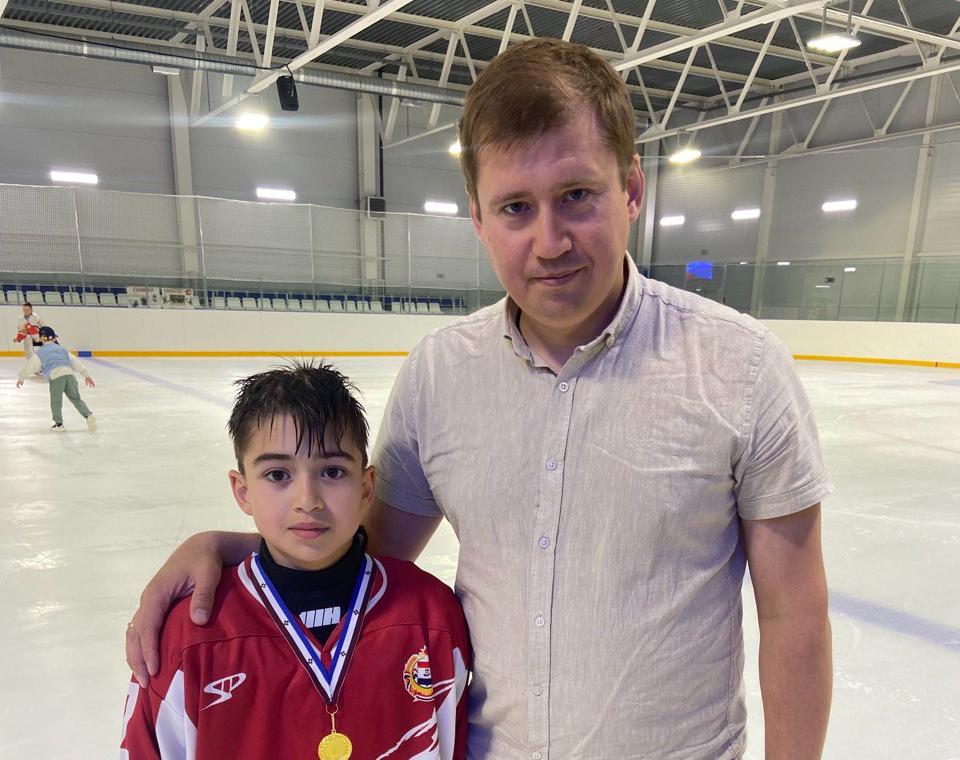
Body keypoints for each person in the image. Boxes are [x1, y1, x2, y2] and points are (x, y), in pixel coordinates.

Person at [126, 39, 833, 759]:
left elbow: (795, 619)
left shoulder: (741, 368)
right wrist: (231, 546)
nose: (550, 242)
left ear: (631, 189)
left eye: (577, 196)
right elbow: (358, 549)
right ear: (479, 220)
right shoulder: (441, 375)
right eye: (515, 208)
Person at [119, 362, 471, 759]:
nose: (308, 500)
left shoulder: (431, 616)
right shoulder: (190, 636)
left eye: (332, 471)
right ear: (242, 491)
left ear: (366, 488)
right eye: (277, 475)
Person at [16, 325, 97, 431]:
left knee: (56, 401)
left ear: (41, 339)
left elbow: (31, 366)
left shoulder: (40, 352)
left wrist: (22, 377)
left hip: (56, 376)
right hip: (70, 375)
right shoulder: (62, 349)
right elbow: (75, 361)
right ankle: (88, 415)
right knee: (76, 398)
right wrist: (86, 375)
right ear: (54, 338)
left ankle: (59, 424)